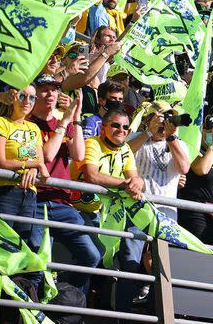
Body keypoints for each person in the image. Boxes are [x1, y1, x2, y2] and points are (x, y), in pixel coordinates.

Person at [30, 74, 100, 294]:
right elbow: (48, 156)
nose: (50, 94)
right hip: (34, 200)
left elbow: (79, 154)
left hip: (62, 202)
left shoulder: (65, 120)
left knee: (91, 256)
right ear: (35, 93)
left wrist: (76, 118)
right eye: (44, 89)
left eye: (54, 89)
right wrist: (64, 121)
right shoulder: (27, 121)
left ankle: (61, 293)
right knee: (36, 262)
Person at [73, 108, 145, 312]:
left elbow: (135, 178)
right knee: (89, 258)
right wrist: (127, 183)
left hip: (108, 214)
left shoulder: (125, 149)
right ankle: (76, 309)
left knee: (129, 260)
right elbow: (92, 176)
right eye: (115, 125)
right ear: (103, 128)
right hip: (81, 210)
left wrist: (138, 182)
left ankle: (121, 314)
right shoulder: (92, 143)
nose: (121, 130)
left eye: (125, 127)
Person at [0, 84, 50, 253]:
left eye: (32, 97)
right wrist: (34, 165)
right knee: (2, 247)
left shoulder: (34, 128)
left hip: (29, 193)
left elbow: (39, 160)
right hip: (4, 191)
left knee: (26, 249)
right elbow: (1, 162)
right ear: (13, 97)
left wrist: (34, 169)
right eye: (22, 96)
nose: (27, 101)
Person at [127, 101, 191, 220]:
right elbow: (124, 154)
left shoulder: (178, 144)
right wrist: (150, 131)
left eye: (169, 119)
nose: (165, 123)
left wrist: (171, 138)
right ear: (148, 121)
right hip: (137, 210)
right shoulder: (135, 138)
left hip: (167, 213)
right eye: (162, 118)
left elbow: (184, 168)